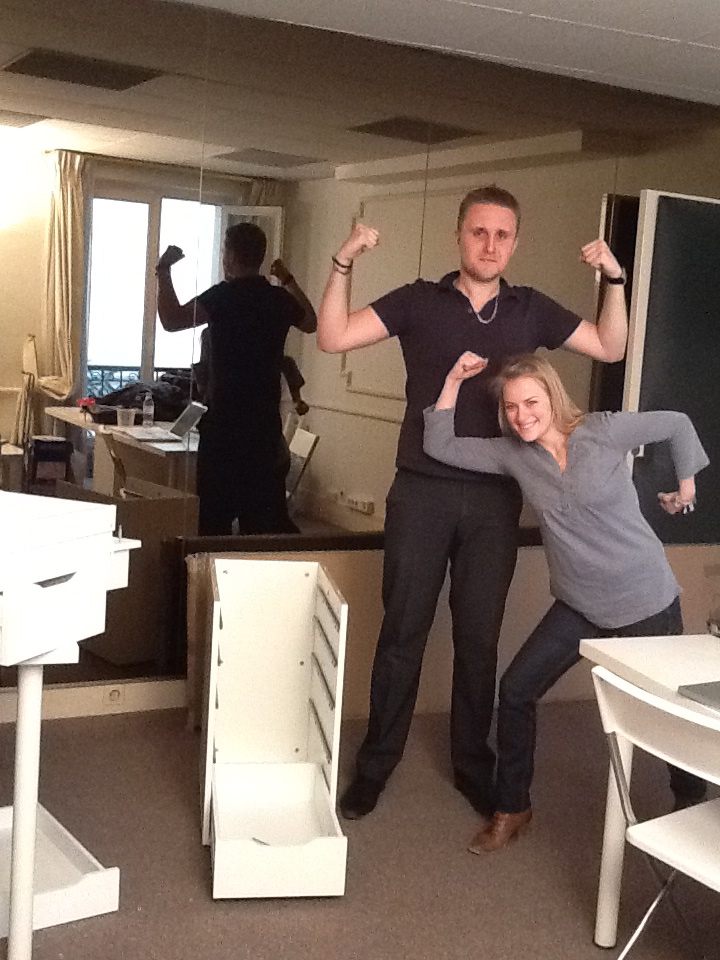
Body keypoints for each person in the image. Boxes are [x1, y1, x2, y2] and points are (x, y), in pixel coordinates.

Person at [317, 185, 629, 821]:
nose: (490, 245)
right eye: (479, 232)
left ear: (514, 242)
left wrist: (615, 279)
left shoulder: (530, 309)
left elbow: (610, 346)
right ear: (459, 236)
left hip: (495, 498)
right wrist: (343, 260)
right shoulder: (418, 301)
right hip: (421, 491)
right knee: (402, 633)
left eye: (502, 235)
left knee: (478, 638)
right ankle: (375, 764)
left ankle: (471, 764)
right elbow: (332, 337)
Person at [424, 351, 709, 851]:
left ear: (552, 397)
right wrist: (451, 380)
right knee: (516, 690)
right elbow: (439, 444)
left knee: (666, 712)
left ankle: (690, 802)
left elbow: (678, 424)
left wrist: (685, 486)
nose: (521, 416)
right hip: (578, 605)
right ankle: (513, 807)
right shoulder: (513, 454)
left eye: (531, 402)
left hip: (645, 599)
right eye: (511, 407)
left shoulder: (602, 431)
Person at [156, 224, 316, 535]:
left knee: (213, 521)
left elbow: (172, 320)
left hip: (224, 427)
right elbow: (311, 322)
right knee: (261, 525)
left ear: (229, 255)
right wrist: (288, 280)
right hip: (264, 428)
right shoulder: (278, 298)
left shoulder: (222, 297)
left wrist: (163, 271)